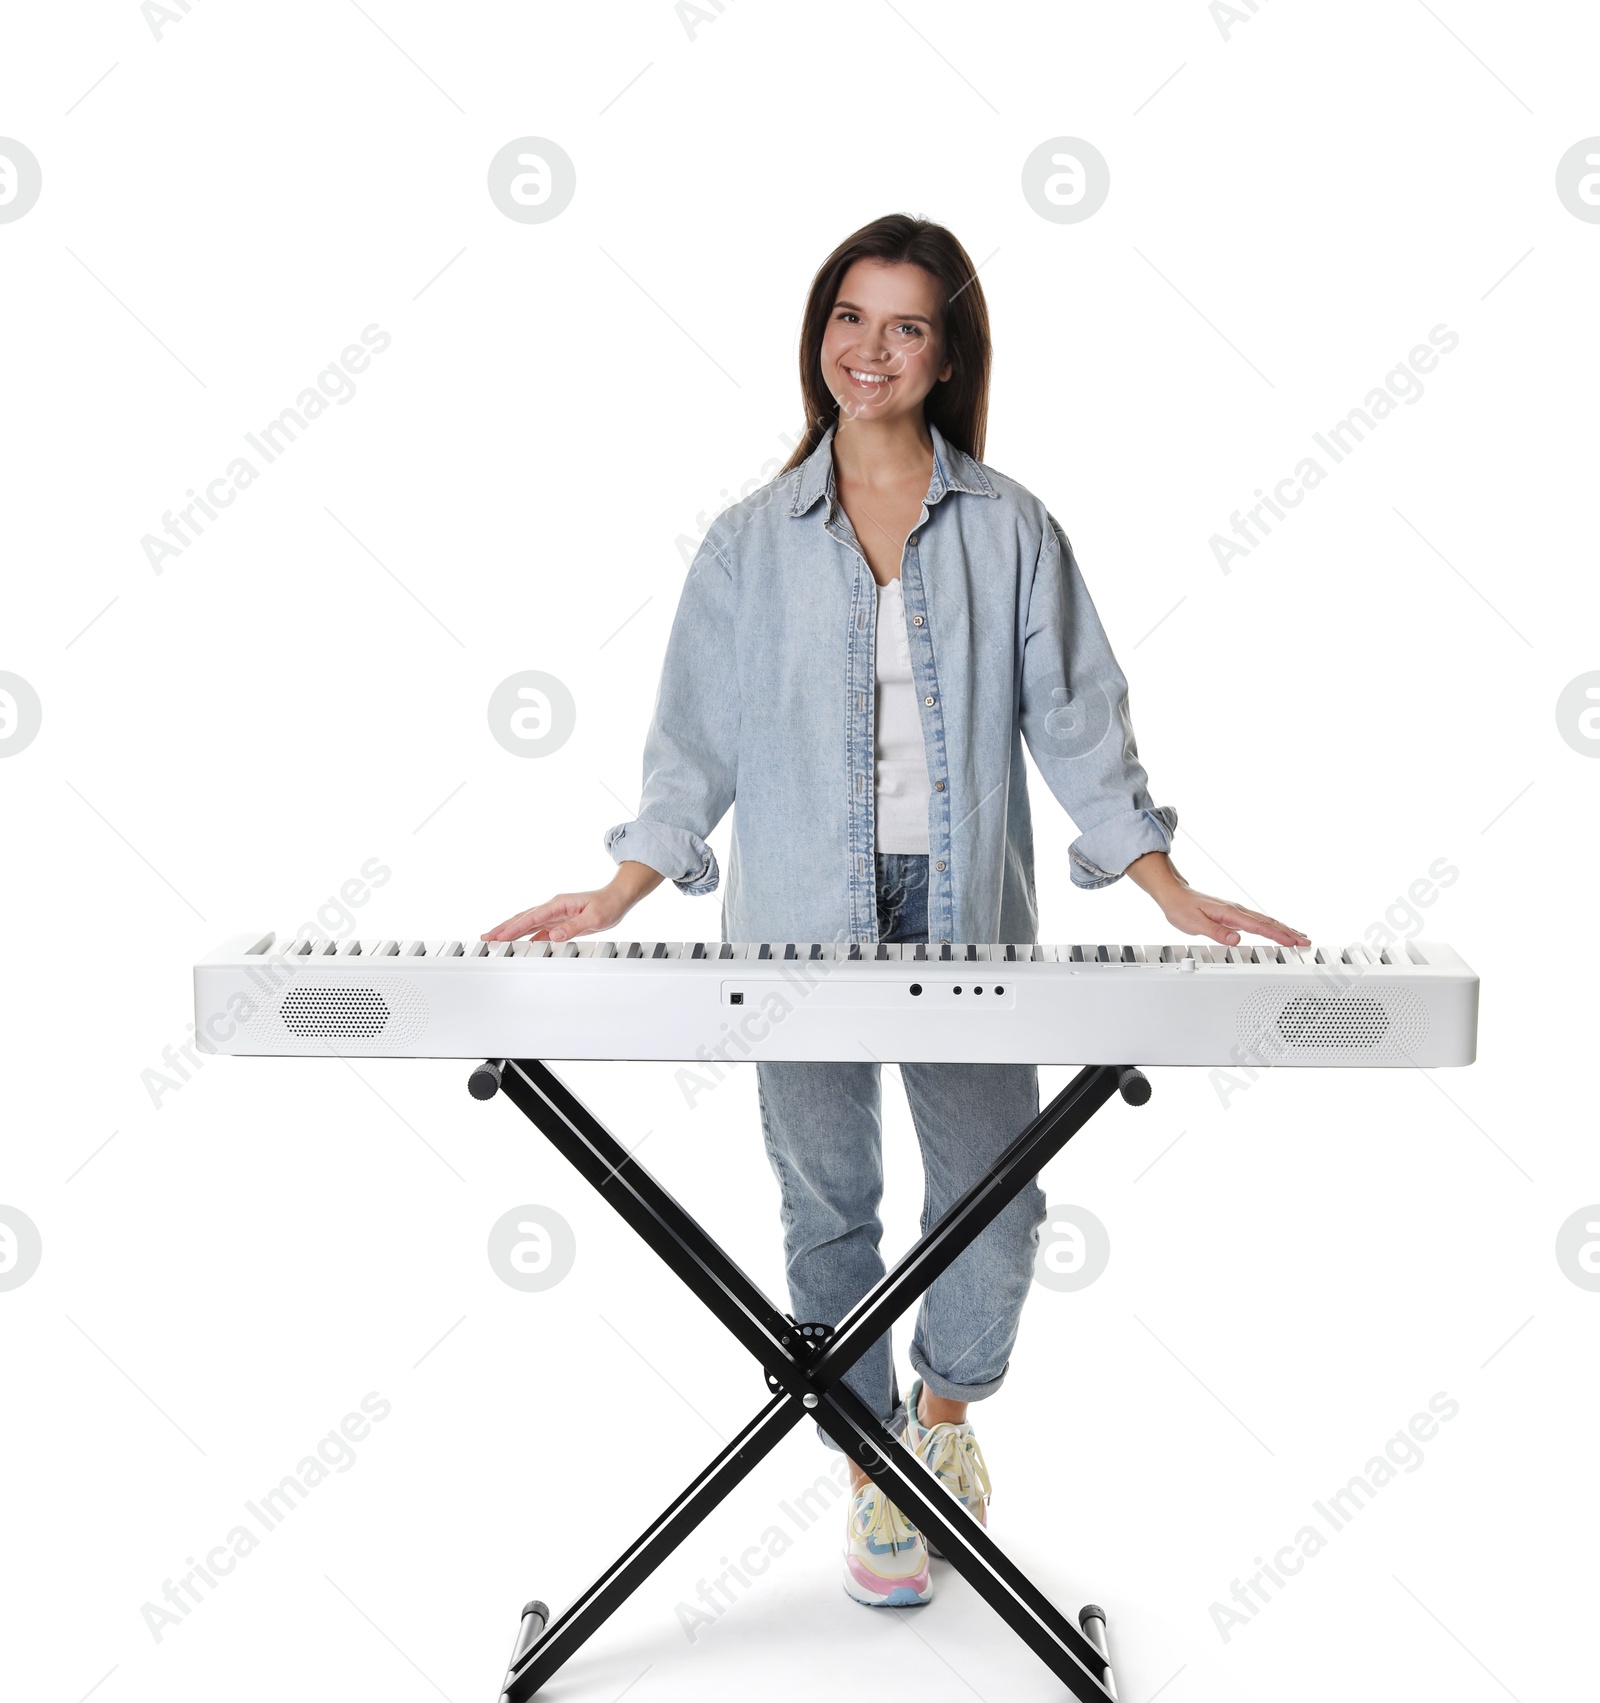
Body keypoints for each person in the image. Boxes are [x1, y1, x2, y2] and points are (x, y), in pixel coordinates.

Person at [484, 212, 1307, 1610]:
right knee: (828, 1203)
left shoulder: (1013, 528)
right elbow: (698, 742)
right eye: (849, 318)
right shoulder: (749, 542)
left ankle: (941, 1418)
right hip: (795, 913)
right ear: (821, 338)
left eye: (906, 325)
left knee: (996, 1194)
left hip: (962, 910)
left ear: (947, 353)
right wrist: (623, 882)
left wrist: (1166, 884)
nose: (870, 350)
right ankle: (871, 1466)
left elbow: (1080, 726)